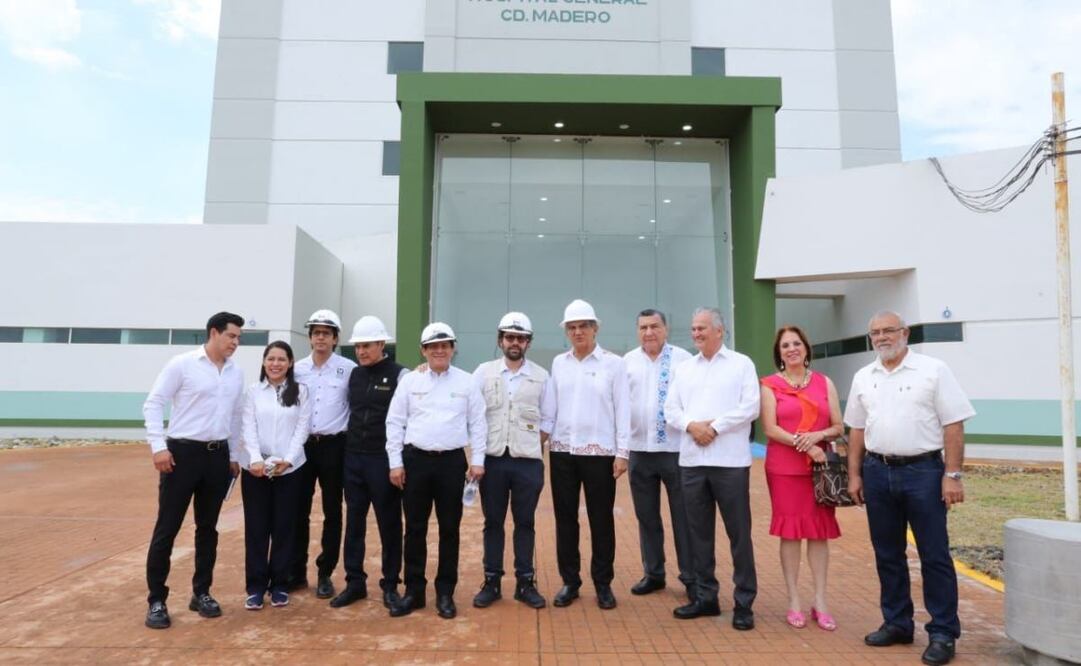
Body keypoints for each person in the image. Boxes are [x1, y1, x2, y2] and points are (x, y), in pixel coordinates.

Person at [845, 311, 975, 666]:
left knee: (934, 555)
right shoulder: (863, 376)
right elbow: (856, 430)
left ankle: (943, 632)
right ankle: (898, 622)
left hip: (924, 473)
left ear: (905, 333)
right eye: (875, 332)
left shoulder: (933, 370)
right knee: (887, 554)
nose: (882, 337)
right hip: (877, 470)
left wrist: (953, 475)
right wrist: (854, 476)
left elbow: (954, 424)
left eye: (889, 330)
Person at [142, 311, 245, 629]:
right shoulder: (182, 364)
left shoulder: (235, 373)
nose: (235, 343)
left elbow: (237, 415)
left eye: (239, 338)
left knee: (208, 529)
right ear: (214, 333)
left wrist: (235, 455)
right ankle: (157, 600)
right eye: (231, 336)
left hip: (217, 457)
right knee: (167, 528)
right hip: (181, 455)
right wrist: (159, 446)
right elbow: (154, 402)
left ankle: (201, 592)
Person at [665, 307, 759, 630]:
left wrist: (714, 428)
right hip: (692, 463)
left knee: (739, 535)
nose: (696, 334)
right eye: (693, 329)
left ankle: (744, 603)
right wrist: (692, 426)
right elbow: (670, 410)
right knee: (698, 535)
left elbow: (750, 407)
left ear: (720, 331)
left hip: (730, 463)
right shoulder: (684, 369)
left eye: (702, 328)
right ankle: (706, 597)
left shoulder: (741, 364)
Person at [386, 322, 487, 619]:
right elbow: (395, 422)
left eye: (445, 345)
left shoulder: (467, 382)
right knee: (414, 529)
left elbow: (478, 423)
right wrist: (395, 462)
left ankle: (445, 593)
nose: (439, 350)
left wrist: (477, 460)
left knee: (449, 530)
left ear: (453, 348)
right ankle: (414, 593)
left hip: (451, 464)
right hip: (415, 462)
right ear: (424, 350)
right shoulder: (410, 382)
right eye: (433, 346)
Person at [545, 299, 630, 610]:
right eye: (572, 327)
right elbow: (550, 408)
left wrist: (623, 453)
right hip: (562, 452)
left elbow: (623, 410)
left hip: (600, 453)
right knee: (565, 519)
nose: (578, 331)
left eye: (583, 326)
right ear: (566, 332)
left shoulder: (614, 364)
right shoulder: (558, 363)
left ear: (595, 329)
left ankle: (603, 583)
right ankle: (570, 581)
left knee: (601, 519)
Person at [759, 325, 843, 631]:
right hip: (784, 469)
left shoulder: (824, 383)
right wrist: (804, 443)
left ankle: (820, 600)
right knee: (791, 533)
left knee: (819, 533)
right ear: (779, 353)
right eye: (785, 346)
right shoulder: (769, 385)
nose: (791, 349)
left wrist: (817, 437)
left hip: (819, 470)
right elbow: (770, 428)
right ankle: (793, 600)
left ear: (806, 349)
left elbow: (838, 426)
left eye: (796, 343)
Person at [470, 312, 553, 610]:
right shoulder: (482, 373)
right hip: (492, 462)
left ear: (528, 342)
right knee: (493, 523)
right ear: (500, 340)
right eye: (509, 337)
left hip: (527, 463)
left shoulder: (542, 377)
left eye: (520, 338)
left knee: (525, 523)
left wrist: (526, 444)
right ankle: (491, 581)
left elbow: (549, 421)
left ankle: (525, 582)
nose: (514, 342)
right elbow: (473, 415)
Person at [329, 316, 407, 610]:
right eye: (358, 346)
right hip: (354, 459)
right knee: (354, 524)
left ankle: (390, 585)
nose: (361, 351)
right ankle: (355, 583)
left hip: (383, 460)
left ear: (381, 344)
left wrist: (398, 461)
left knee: (389, 524)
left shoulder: (401, 375)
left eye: (367, 345)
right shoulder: (355, 375)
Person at [623, 309, 694, 599]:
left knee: (684, 517)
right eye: (643, 327)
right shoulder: (626, 362)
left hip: (676, 451)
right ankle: (653, 573)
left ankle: (691, 576)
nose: (649, 332)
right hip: (639, 450)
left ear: (666, 329)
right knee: (647, 516)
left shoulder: (684, 361)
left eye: (654, 326)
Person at [240, 341, 311, 610]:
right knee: (257, 529)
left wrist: (289, 460)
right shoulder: (253, 392)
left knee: (284, 528)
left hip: (290, 469)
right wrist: (256, 460)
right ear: (263, 362)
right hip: (256, 470)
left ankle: (280, 585)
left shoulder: (300, 391)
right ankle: (256, 587)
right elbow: (248, 427)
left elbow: (302, 428)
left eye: (282, 359)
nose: (276, 364)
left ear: (291, 363)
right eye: (271, 358)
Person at [291, 309, 357, 599]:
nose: (321, 337)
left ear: (335, 338)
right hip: (302, 447)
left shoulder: (349, 369)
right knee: (297, 510)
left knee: (333, 511)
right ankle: (295, 570)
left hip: (335, 447)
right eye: (316, 332)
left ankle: (325, 571)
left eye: (326, 333)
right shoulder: (297, 369)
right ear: (309, 337)